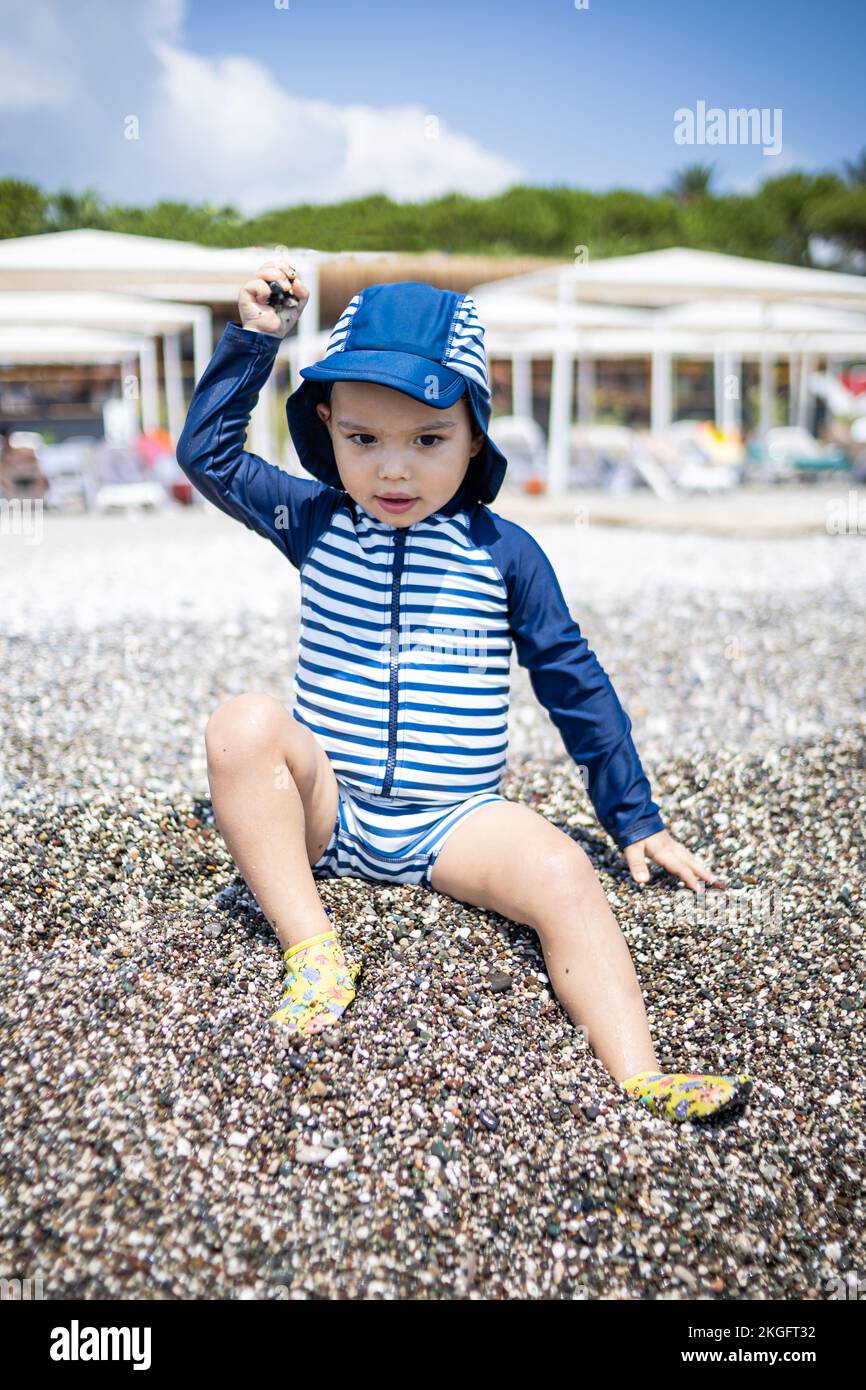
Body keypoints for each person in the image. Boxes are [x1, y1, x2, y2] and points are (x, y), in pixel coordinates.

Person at [176, 262, 753, 1125]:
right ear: (326, 428)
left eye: (428, 440)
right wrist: (255, 338)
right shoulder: (315, 520)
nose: (394, 470)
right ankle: (314, 949)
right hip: (328, 812)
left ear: (474, 436)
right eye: (363, 440)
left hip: (455, 822)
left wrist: (634, 819)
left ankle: (639, 1072)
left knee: (563, 873)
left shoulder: (505, 553)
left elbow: (573, 682)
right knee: (241, 725)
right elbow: (208, 454)